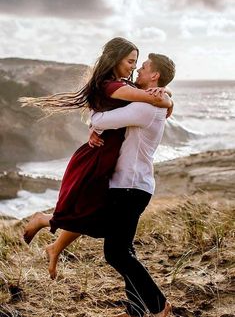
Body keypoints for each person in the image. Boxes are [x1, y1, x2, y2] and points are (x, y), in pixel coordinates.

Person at [21, 38, 172, 280]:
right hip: (99, 155)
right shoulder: (112, 86)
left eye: (138, 64)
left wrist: (165, 93)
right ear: (116, 59)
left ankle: (53, 243)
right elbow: (148, 101)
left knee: (91, 213)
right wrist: (166, 98)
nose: (135, 68)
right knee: (86, 210)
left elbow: (141, 99)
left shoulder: (124, 83)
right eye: (131, 62)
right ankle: (45, 223)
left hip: (109, 156)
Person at [90, 53, 175, 317]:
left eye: (144, 67)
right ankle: (136, 310)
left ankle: (159, 306)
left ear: (155, 76)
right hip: (133, 185)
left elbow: (101, 120)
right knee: (124, 249)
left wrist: (94, 119)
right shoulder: (153, 102)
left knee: (115, 253)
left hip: (130, 186)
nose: (138, 69)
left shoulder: (145, 107)